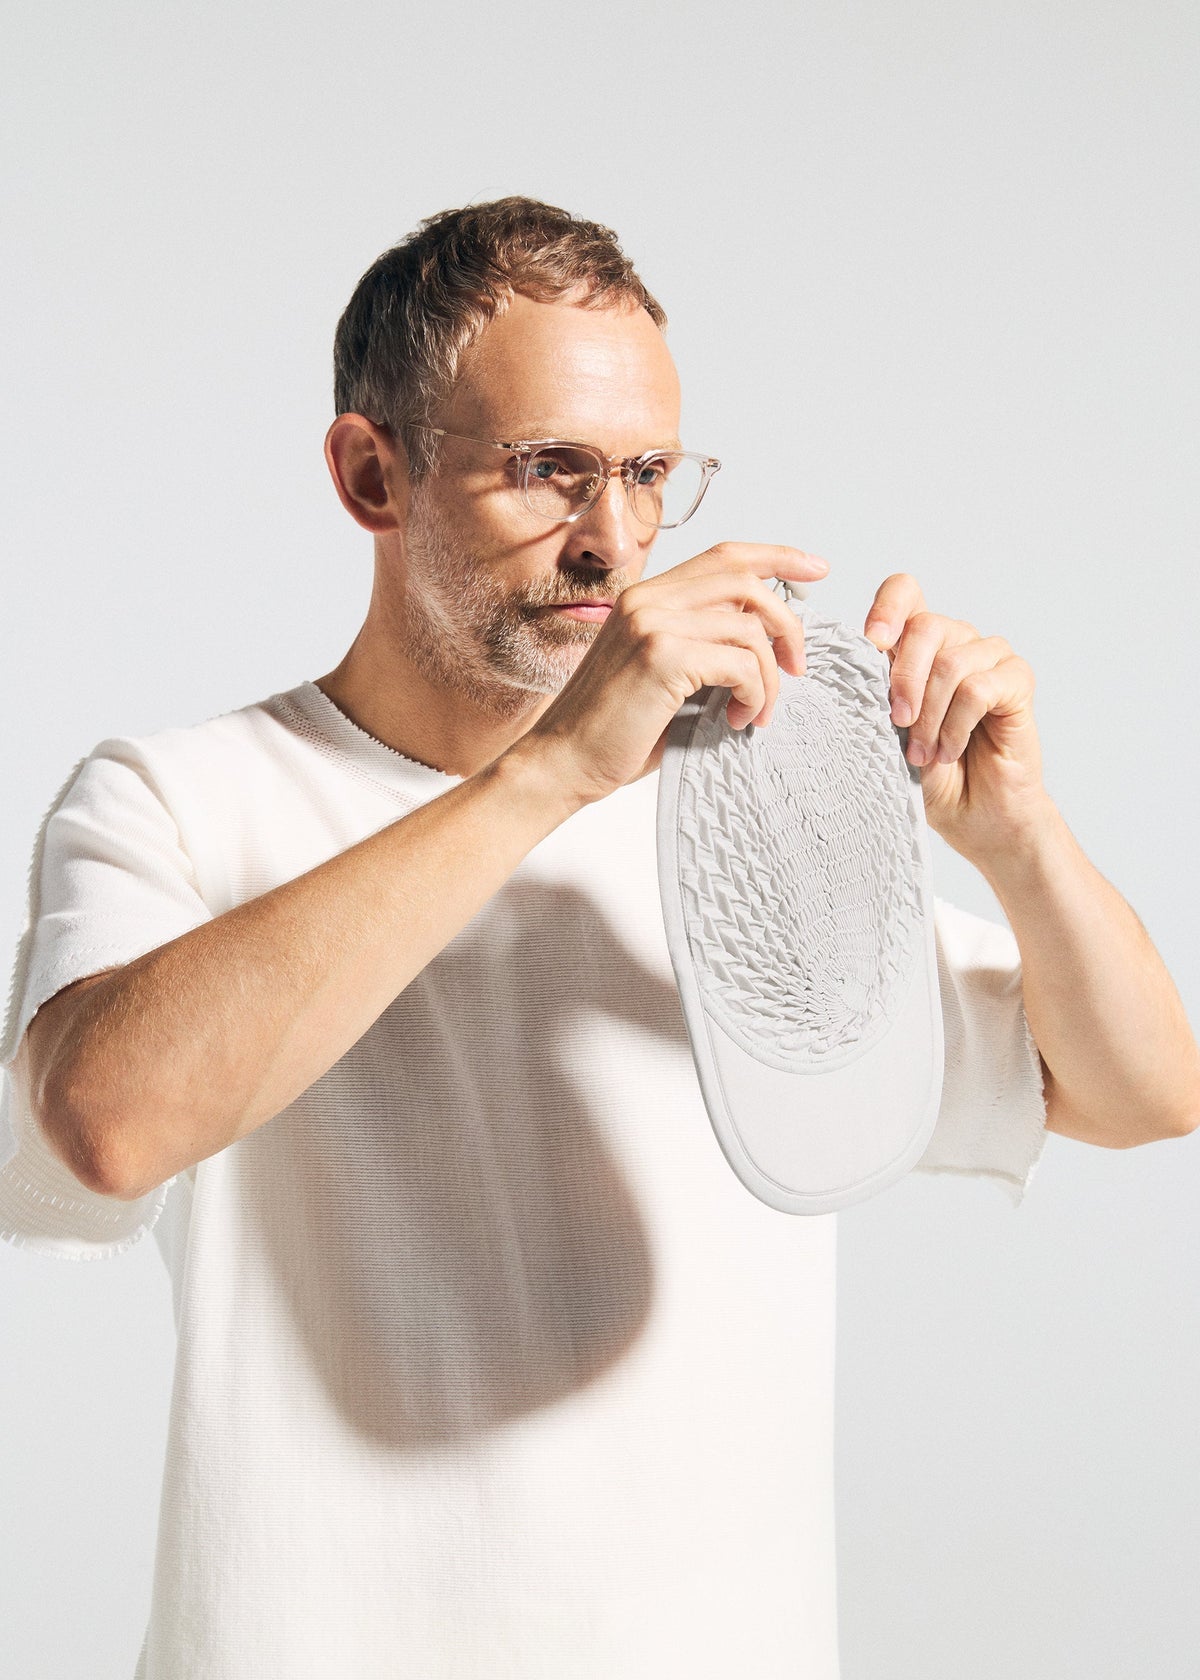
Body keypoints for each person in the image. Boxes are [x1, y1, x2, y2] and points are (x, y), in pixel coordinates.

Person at [2, 196, 1197, 1680]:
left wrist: (1017, 836)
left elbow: (1141, 1093)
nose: (615, 540)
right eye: (546, 470)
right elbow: (104, 1125)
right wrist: (554, 771)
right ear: (372, 475)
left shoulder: (745, 798)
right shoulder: (176, 796)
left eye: (646, 473)